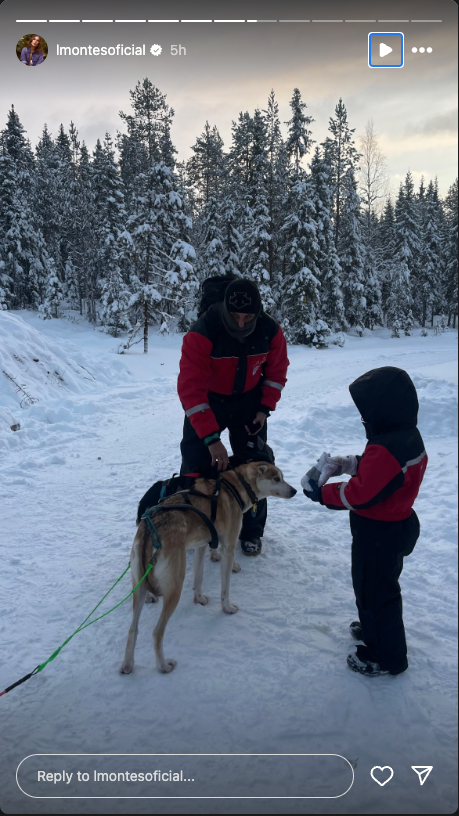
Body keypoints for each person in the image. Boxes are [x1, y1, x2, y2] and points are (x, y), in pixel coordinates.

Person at [303, 367, 427, 677]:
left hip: (378, 533)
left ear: (384, 411)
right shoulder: (404, 437)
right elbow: (381, 474)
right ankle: (374, 631)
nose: (364, 421)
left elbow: (361, 494)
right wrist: (350, 464)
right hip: (394, 526)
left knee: (377, 593)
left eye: (367, 415)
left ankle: (388, 657)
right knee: (373, 589)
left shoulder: (387, 447)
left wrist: (321, 493)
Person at [177, 277, 289, 556]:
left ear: (259, 312)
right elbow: (191, 389)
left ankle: (250, 532)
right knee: (196, 464)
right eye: (235, 316)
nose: (241, 323)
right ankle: (193, 523)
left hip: (250, 403)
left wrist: (264, 409)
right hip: (209, 401)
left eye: (248, 316)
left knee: (257, 465)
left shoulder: (270, 331)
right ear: (224, 308)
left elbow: (276, 375)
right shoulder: (202, 332)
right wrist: (211, 438)